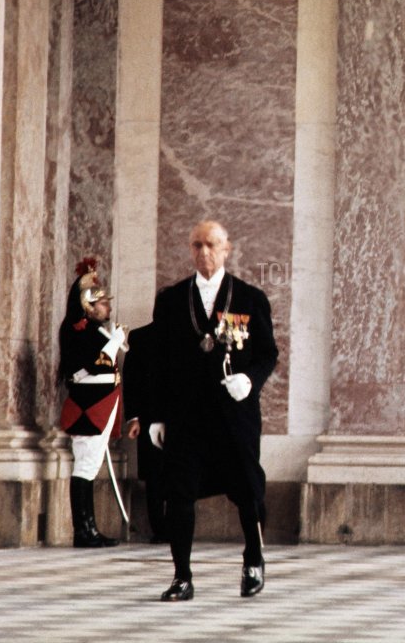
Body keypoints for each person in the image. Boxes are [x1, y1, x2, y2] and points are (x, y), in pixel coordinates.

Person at [147, 220, 278, 602]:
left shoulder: (250, 299)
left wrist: (250, 380)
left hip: (233, 414)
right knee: (180, 493)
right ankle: (182, 576)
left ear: (227, 249)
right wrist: (155, 414)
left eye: (211, 245)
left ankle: (253, 559)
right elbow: (158, 361)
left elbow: (268, 353)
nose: (204, 253)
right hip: (186, 415)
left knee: (248, 489)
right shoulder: (172, 299)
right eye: (197, 245)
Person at [57, 258, 125, 548]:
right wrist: (115, 341)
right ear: (88, 306)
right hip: (89, 404)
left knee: (91, 465)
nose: (107, 307)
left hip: (101, 402)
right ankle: (83, 531)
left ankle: (90, 528)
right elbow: (97, 364)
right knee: (84, 466)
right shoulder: (79, 330)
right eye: (102, 304)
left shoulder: (96, 330)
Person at [121, 323, 167, 543]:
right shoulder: (140, 337)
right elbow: (131, 379)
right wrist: (133, 417)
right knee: (154, 474)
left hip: (179, 417)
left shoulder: (189, 334)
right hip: (149, 416)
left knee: (181, 472)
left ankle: (177, 525)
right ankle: (159, 528)